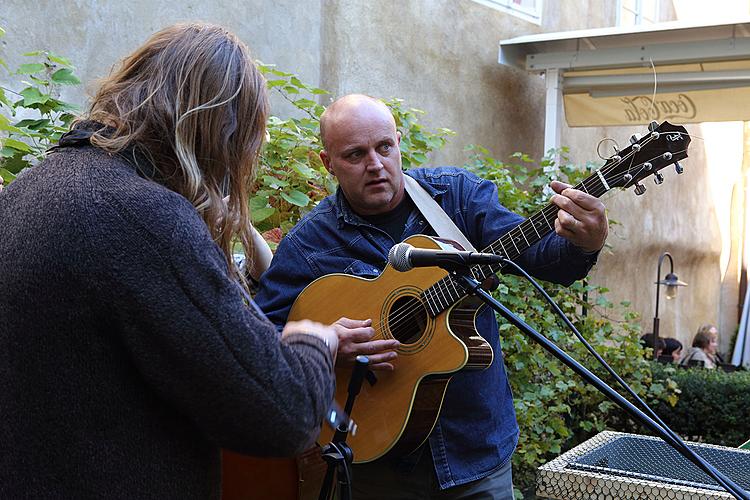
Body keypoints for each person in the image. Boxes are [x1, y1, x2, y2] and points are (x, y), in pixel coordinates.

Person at [0, 23, 339, 498]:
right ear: (221, 128)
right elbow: (283, 414)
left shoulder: (26, 192)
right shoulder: (140, 217)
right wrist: (311, 342)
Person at [254, 94, 608, 499]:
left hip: (474, 453)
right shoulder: (308, 244)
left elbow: (542, 259)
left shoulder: (457, 199)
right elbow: (260, 339)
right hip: (376, 466)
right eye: (355, 154)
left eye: (384, 147)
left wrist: (587, 241)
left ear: (398, 143)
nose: (375, 164)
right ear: (327, 163)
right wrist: (328, 342)